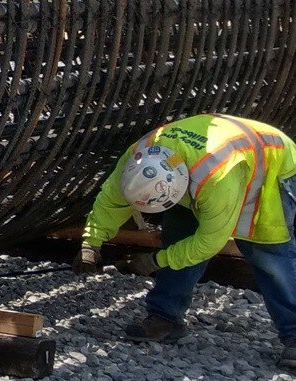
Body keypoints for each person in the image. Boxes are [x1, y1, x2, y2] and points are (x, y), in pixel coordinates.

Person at [81, 113, 296, 365]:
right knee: (178, 238)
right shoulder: (139, 158)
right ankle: (166, 318)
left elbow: (208, 243)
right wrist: (90, 245)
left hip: (270, 163)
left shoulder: (216, 179)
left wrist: (155, 261)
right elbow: (110, 201)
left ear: (179, 186)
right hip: (204, 164)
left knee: (268, 254)